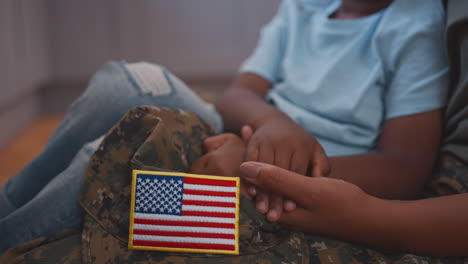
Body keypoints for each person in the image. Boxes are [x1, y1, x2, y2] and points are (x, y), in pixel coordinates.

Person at [0, 0, 453, 256]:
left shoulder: (415, 26)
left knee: (108, 154)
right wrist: (273, 123)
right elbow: (238, 93)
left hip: (303, 174)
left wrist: (262, 162)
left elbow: (404, 168)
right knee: (123, 83)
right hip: (251, 133)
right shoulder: (303, 8)